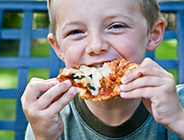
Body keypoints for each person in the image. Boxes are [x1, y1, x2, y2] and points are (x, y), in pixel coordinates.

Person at [21, 0, 184, 139]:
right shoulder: (49, 118)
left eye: (116, 26)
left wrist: (178, 120)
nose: (96, 46)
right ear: (58, 48)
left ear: (153, 34)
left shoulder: (179, 105)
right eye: (76, 31)